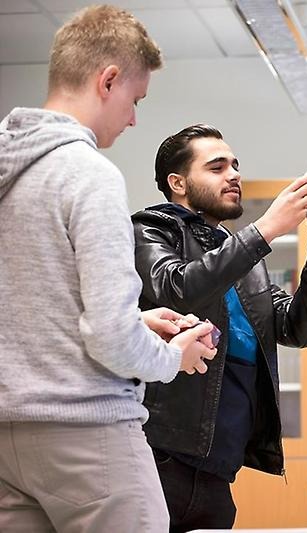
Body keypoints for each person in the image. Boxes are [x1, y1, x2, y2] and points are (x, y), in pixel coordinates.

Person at [0, 6, 217, 532]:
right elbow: (110, 339)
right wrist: (172, 357)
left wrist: (136, 321)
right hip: (87, 434)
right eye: (135, 99)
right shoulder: (88, 173)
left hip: (8, 439)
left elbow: (28, 311)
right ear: (108, 80)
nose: (134, 118)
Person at [131, 123, 307, 531]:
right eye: (217, 167)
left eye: (235, 165)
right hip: (159, 456)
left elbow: (298, 329)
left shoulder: (241, 254)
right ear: (178, 183)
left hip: (218, 468)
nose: (234, 175)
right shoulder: (151, 229)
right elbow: (178, 289)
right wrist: (266, 229)